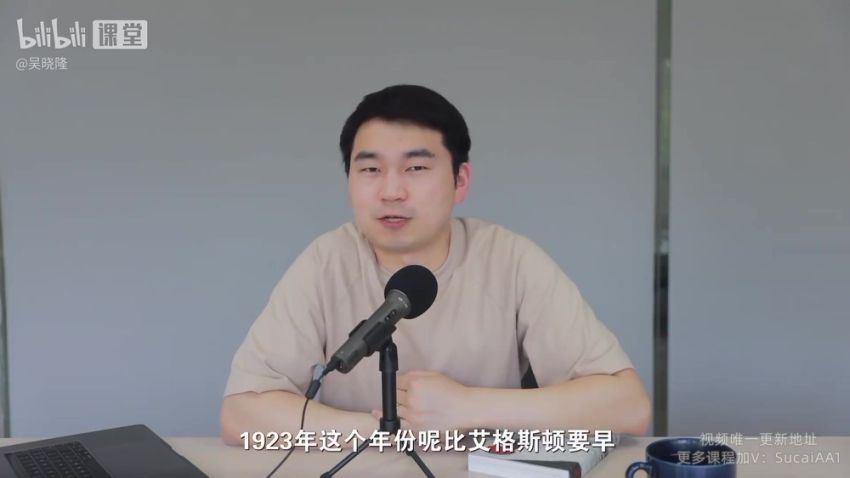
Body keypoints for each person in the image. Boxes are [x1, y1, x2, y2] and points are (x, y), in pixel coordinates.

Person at [220, 85, 651, 446]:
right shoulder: (326, 262)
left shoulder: (510, 259)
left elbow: (628, 406)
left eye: (416, 167)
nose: (391, 191)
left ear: (460, 181)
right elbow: (241, 413)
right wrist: (387, 432)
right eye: (370, 169)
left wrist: (469, 407)